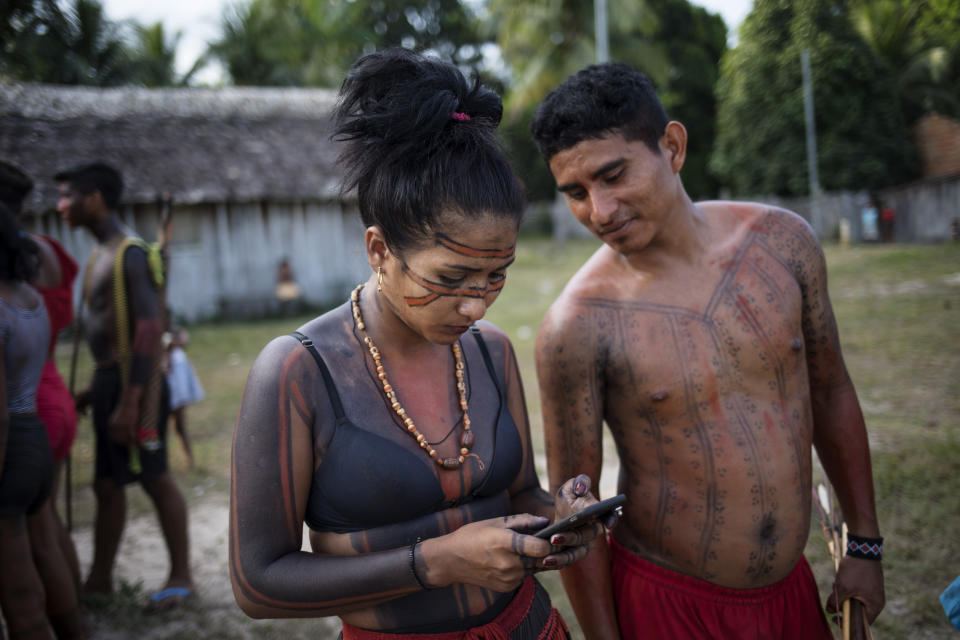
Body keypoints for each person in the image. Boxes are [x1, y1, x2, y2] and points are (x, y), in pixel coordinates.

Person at [230, 48, 607, 639]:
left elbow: (520, 494)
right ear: (380, 251)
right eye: (451, 279)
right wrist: (435, 562)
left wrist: (560, 514)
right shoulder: (301, 372)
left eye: (495, 275)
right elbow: (257, 582)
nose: (476, 304)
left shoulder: (491, 352)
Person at [529, 62, 885, 639]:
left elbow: (831, 389)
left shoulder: (782, 244)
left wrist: (864, 545)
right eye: (575, 192)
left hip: (790, 592)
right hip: (667, 602)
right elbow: (577, 516)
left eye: (613, 175)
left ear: (671, 146)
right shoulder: (576, 326)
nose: (600, 211)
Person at [55, 162, 194, 612]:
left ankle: (182, 575)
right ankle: (98, 579)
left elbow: (149, 330)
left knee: (154, 478)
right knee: (107, 486)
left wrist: (132, 401)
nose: (61, 205)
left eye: (68, 195)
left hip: (140, 387)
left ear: (94, 197)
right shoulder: (99, 254)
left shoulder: (130, 253)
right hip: (111, 382)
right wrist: (96, 391)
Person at [0, 161, 90, 639]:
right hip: (41, 410)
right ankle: (76, 622)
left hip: (18, 422)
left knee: (17, 569)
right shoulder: (30, 291)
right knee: (47, 534)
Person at [0, 202, 54, 639]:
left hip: (9, 445)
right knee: (48, 550)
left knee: (19, 597)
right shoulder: (29, 298)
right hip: (34, 435)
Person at [163, 327, 203, 469]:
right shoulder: (161, 349)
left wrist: (175, 342)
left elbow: (184, 340)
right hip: (164, 392)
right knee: (162, 429)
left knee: (180, 426)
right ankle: (163, 464)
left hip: (178, 392)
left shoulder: (178, 354)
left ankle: (190, 459)